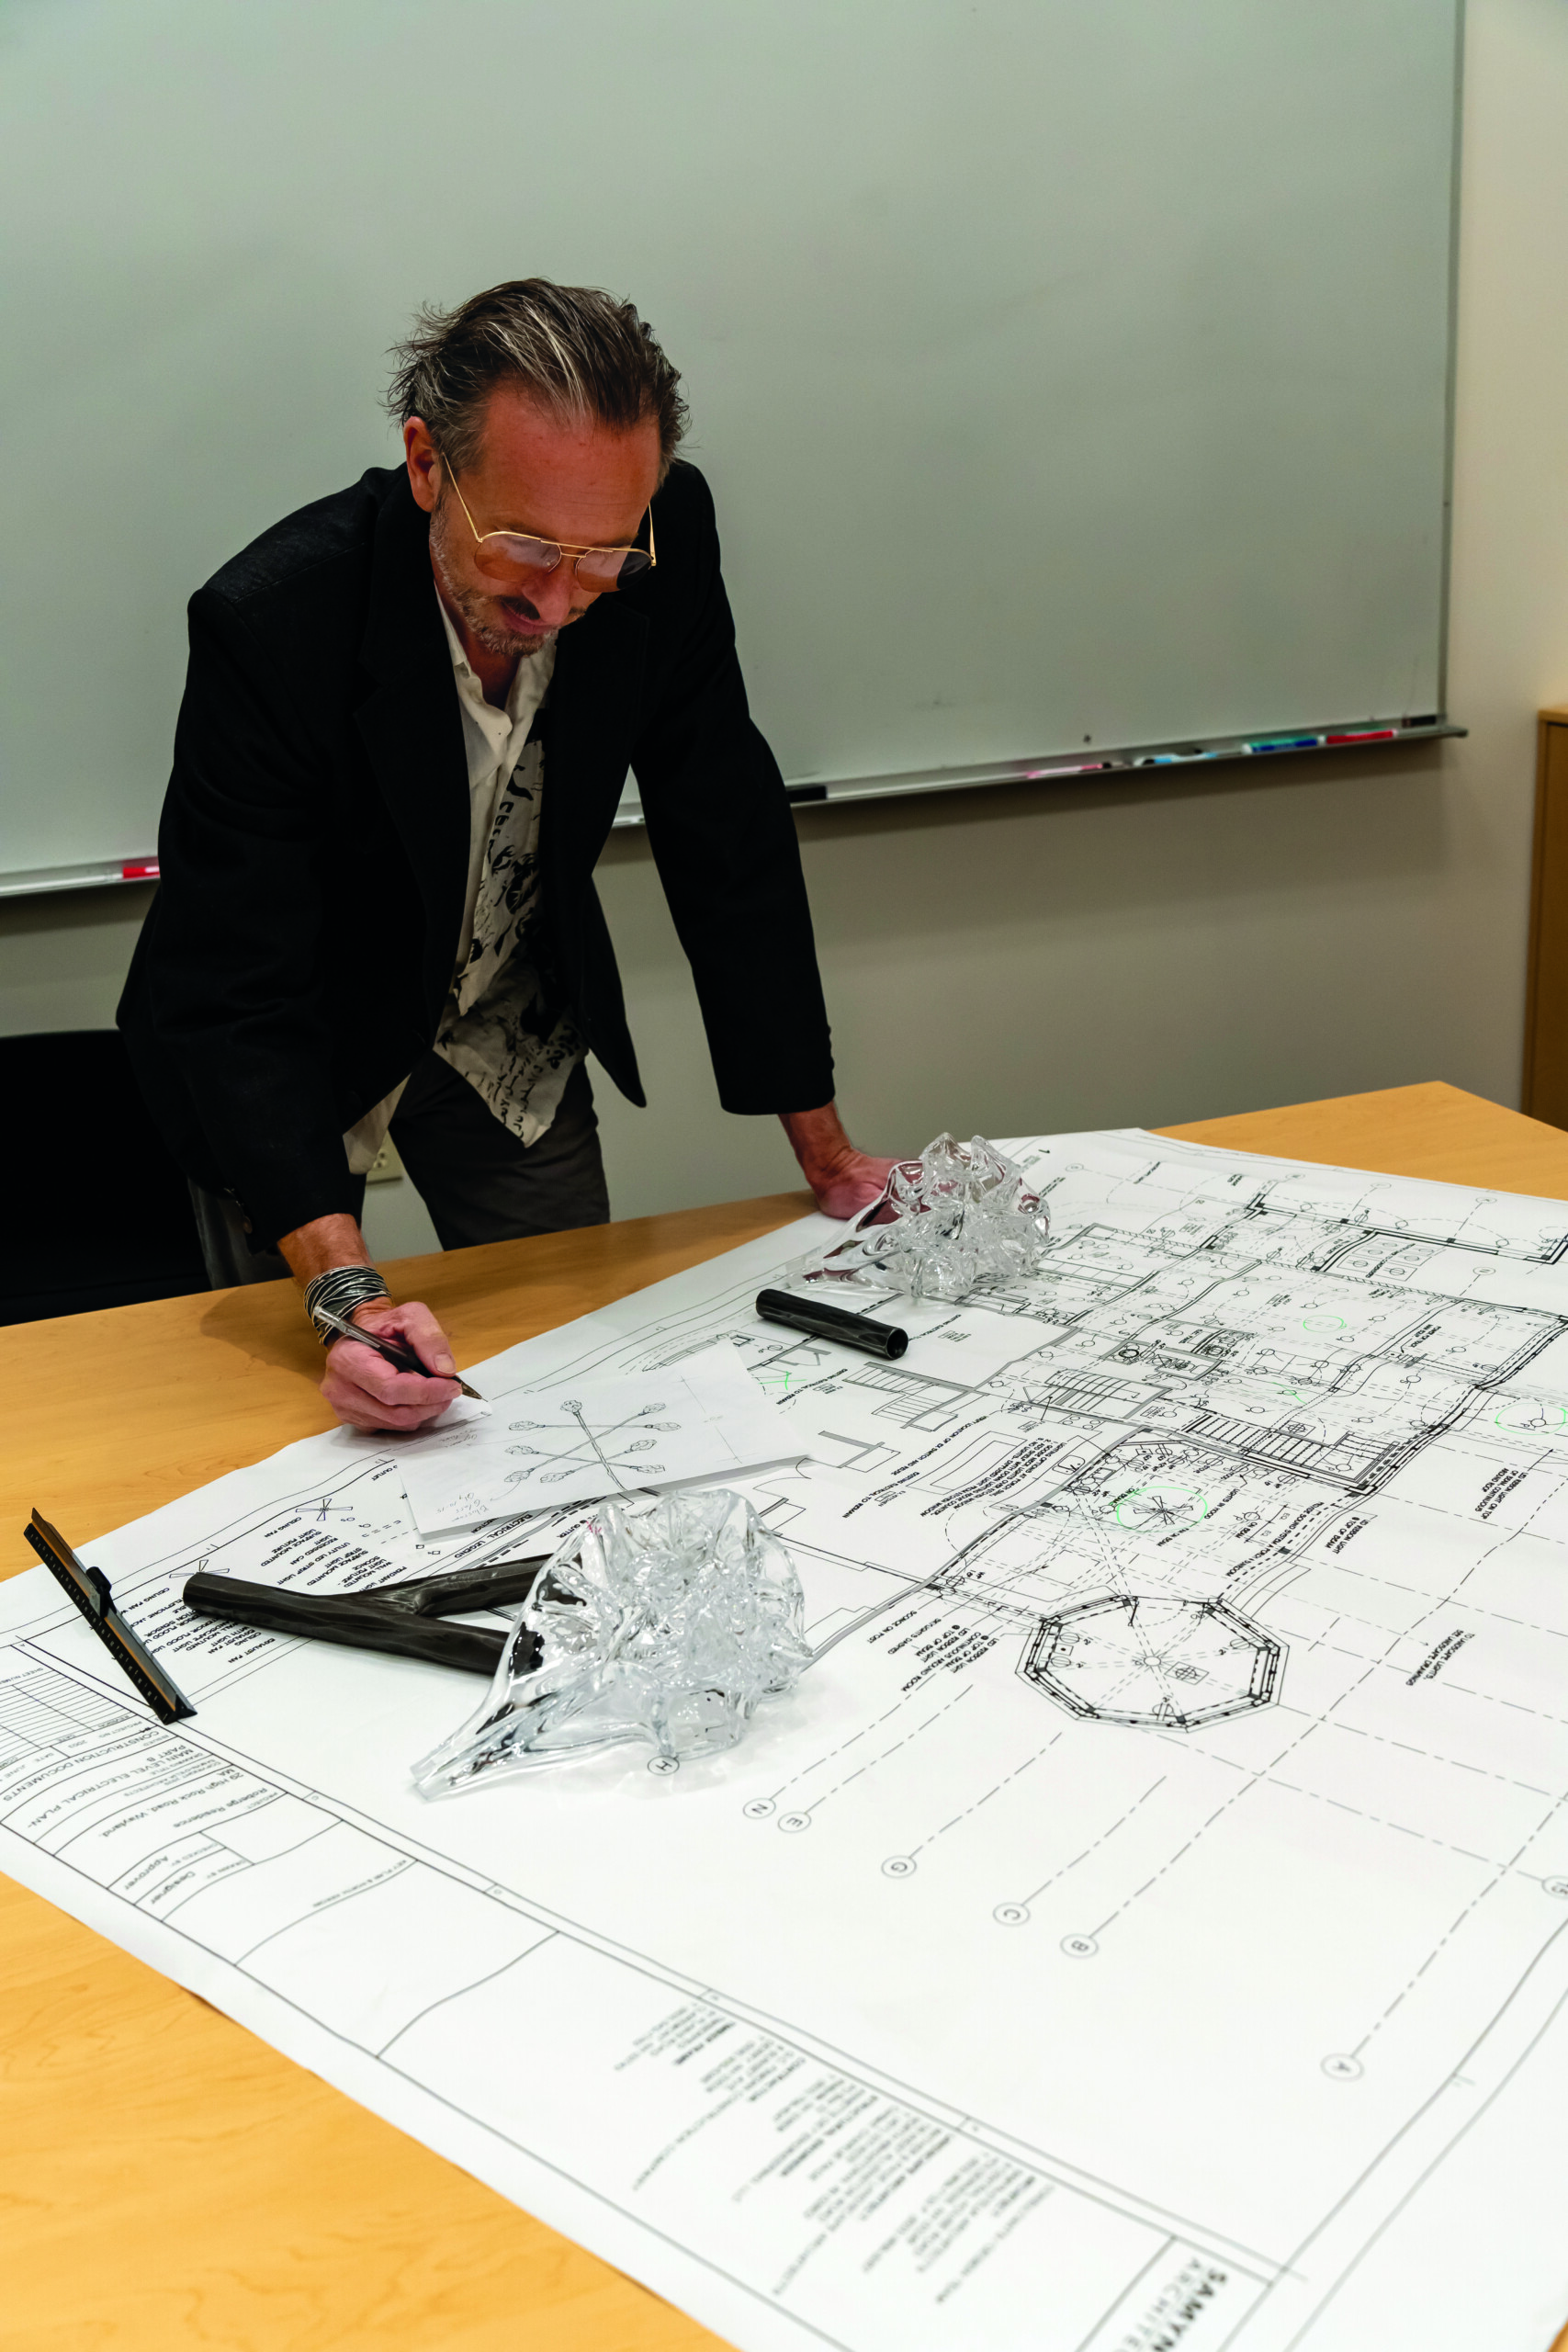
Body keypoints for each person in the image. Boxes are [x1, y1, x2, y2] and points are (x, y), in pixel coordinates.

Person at [119, 279, 894, 1432]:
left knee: (566, 1367)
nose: (561, 601)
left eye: (602, 560)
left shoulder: (663, 533)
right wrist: (344, 1294)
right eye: (525, 547)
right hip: (299, 1036)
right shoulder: (275, 620)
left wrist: (828, 1154)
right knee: (321, 1393)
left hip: (505, 1023)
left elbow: (724, 828)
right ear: (428, 464)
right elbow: (239, 981)